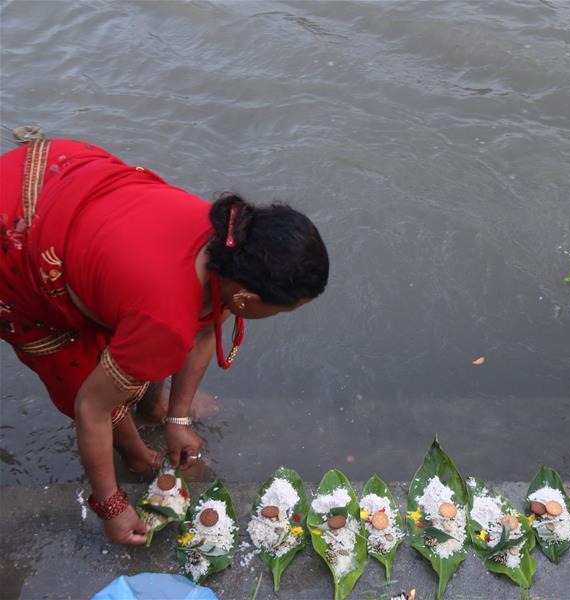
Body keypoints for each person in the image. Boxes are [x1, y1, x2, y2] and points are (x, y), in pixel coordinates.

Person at [0, 136, 329, 543]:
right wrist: (111, 506)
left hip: (59, 179)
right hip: (18, 235)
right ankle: (135, 456)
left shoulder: (229, 243)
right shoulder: (165, 322)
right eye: (281, 310)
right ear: (246, 299)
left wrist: (178, 418)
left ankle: (152, 408)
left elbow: (206, 326)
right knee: (90, 374)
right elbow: (90, 406)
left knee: (132, 338)